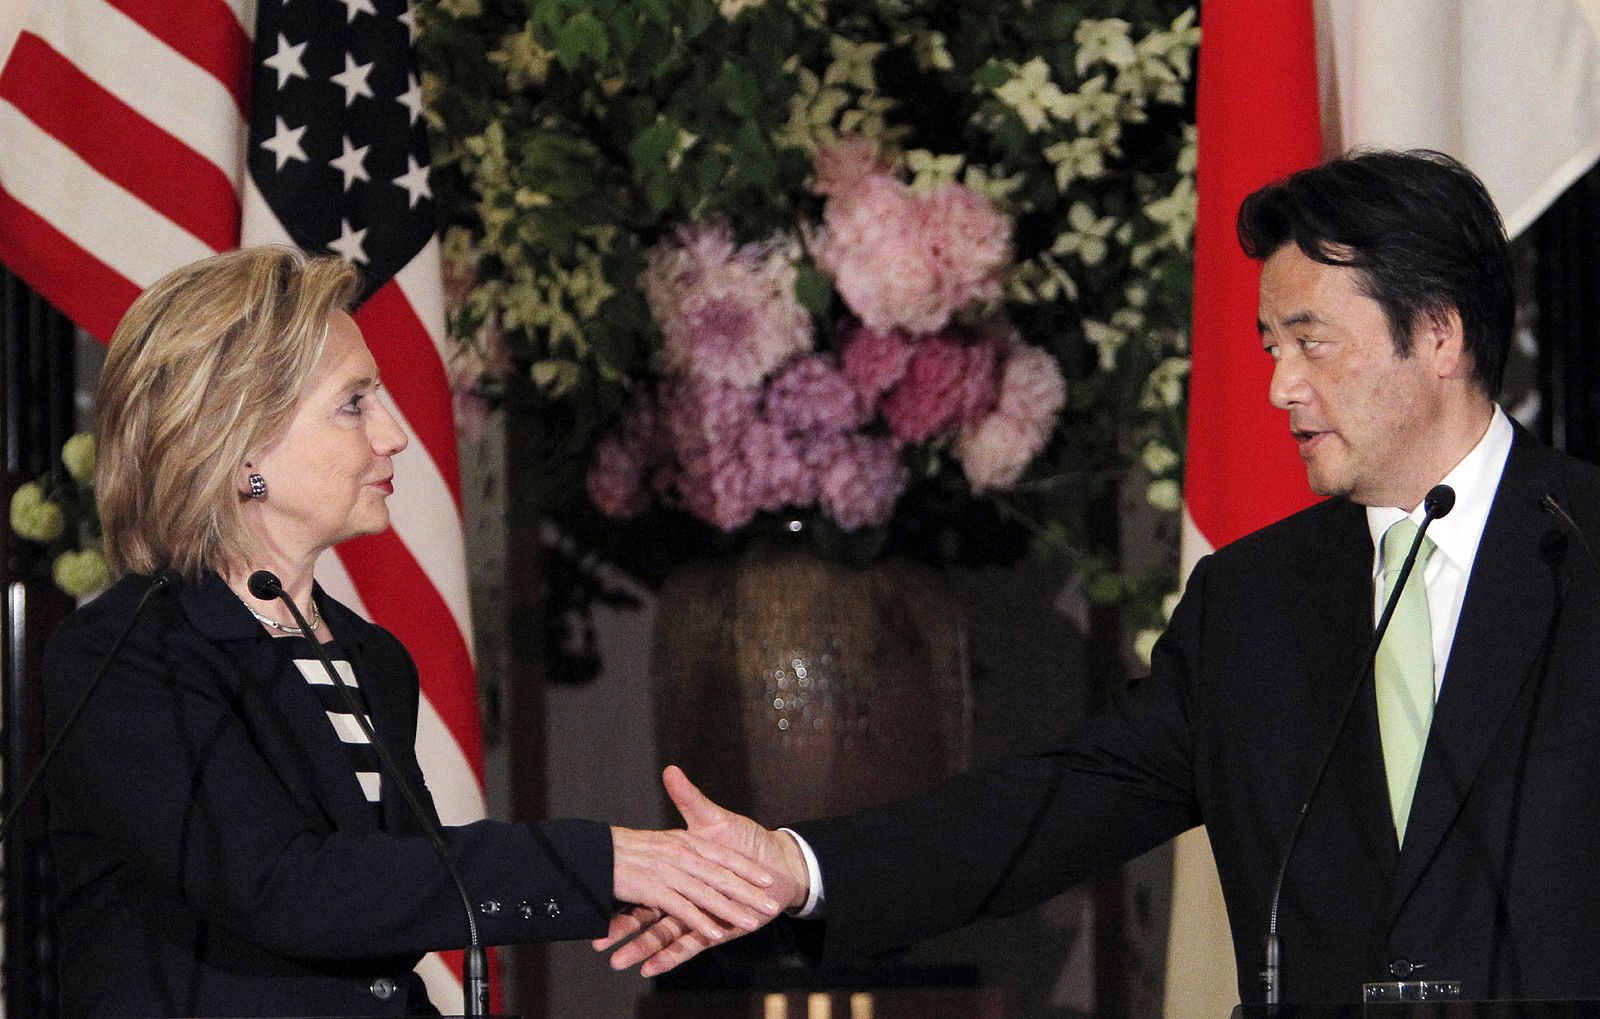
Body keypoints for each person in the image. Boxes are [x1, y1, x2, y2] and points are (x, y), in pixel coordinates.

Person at [597, 149, 1600, 1004]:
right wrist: (797, 865)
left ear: (1436, 333)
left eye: (1311, 342)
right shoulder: (1252, 603)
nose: (1278, 385)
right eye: (1268, 345)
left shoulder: (1584, 547)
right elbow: (1055, 804)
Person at [43, 247, 790, 1017]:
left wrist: (620, 881)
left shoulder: (371, 658)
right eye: (354, 402)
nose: (394, 434)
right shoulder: (126, 656)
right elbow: (286, 890)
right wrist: (598, 863)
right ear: (239, 451)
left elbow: (392, 912)